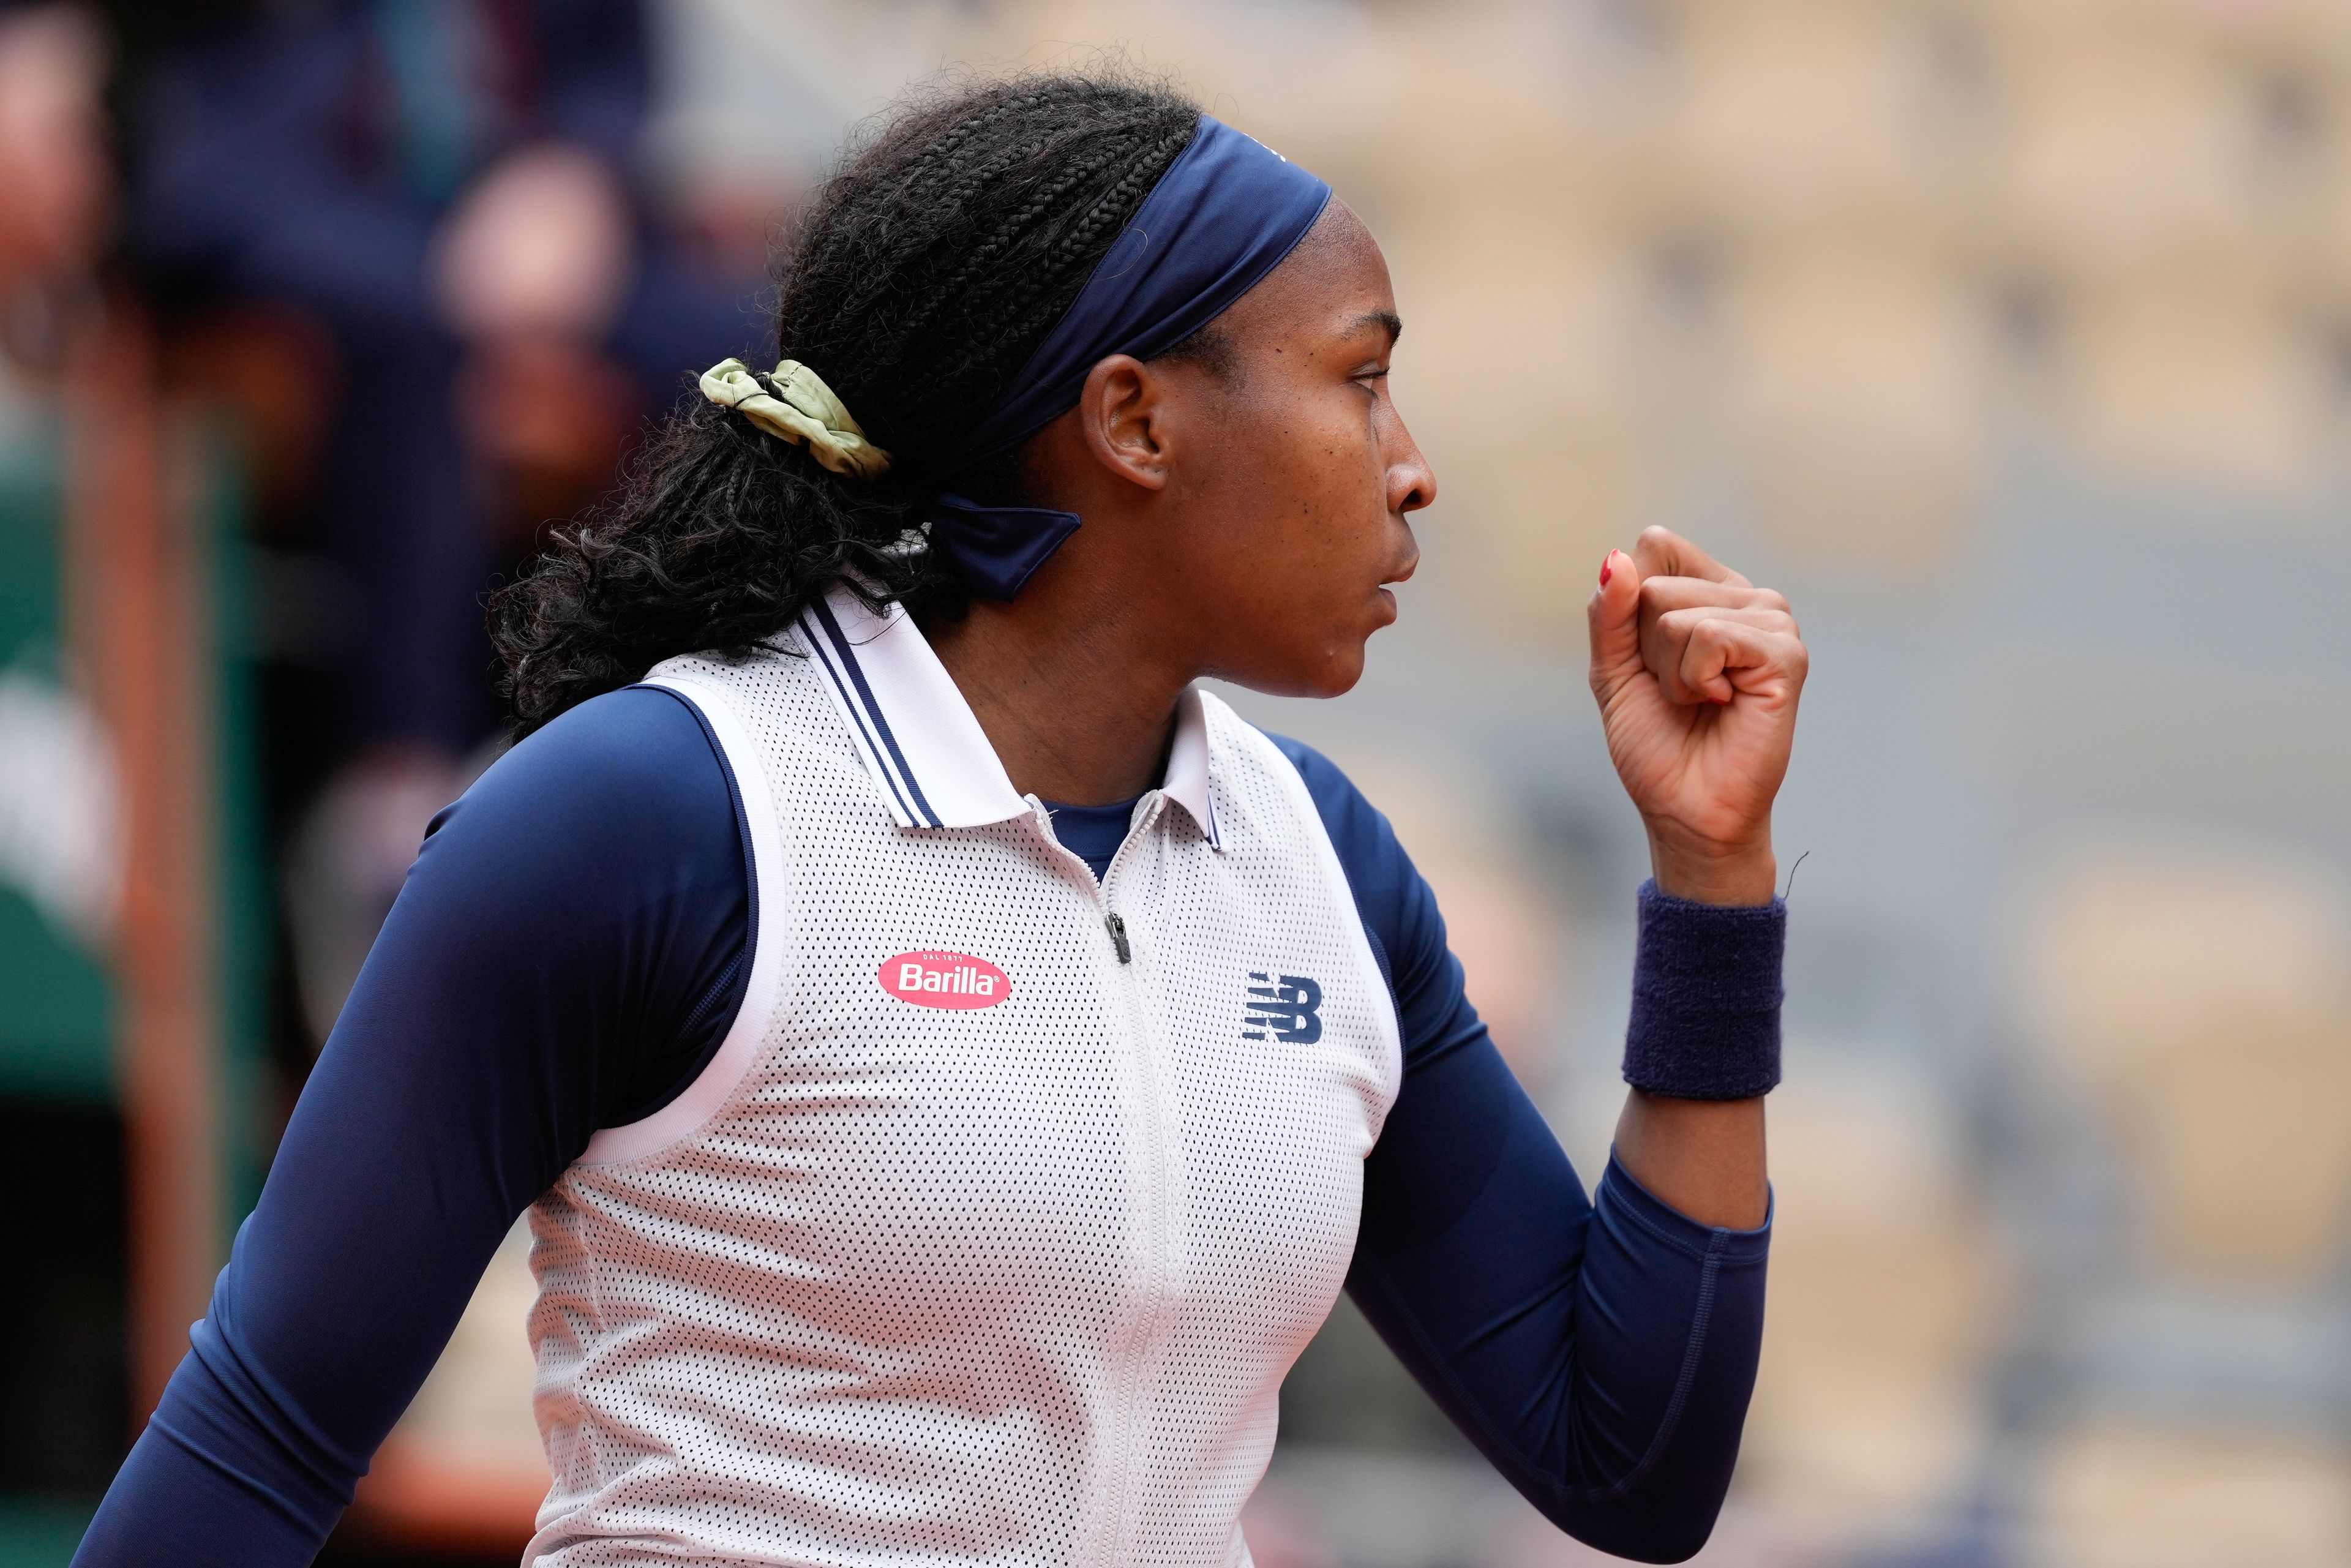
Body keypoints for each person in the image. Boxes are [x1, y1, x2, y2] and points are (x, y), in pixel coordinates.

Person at [73, 73, 1807, 1568]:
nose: (1412, 459)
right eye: (1360, 377)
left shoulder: (1328, 865)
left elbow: (1629, 1464)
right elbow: (257, 1447)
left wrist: (1712, 882)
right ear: (1134, 418)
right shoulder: (650, 817)